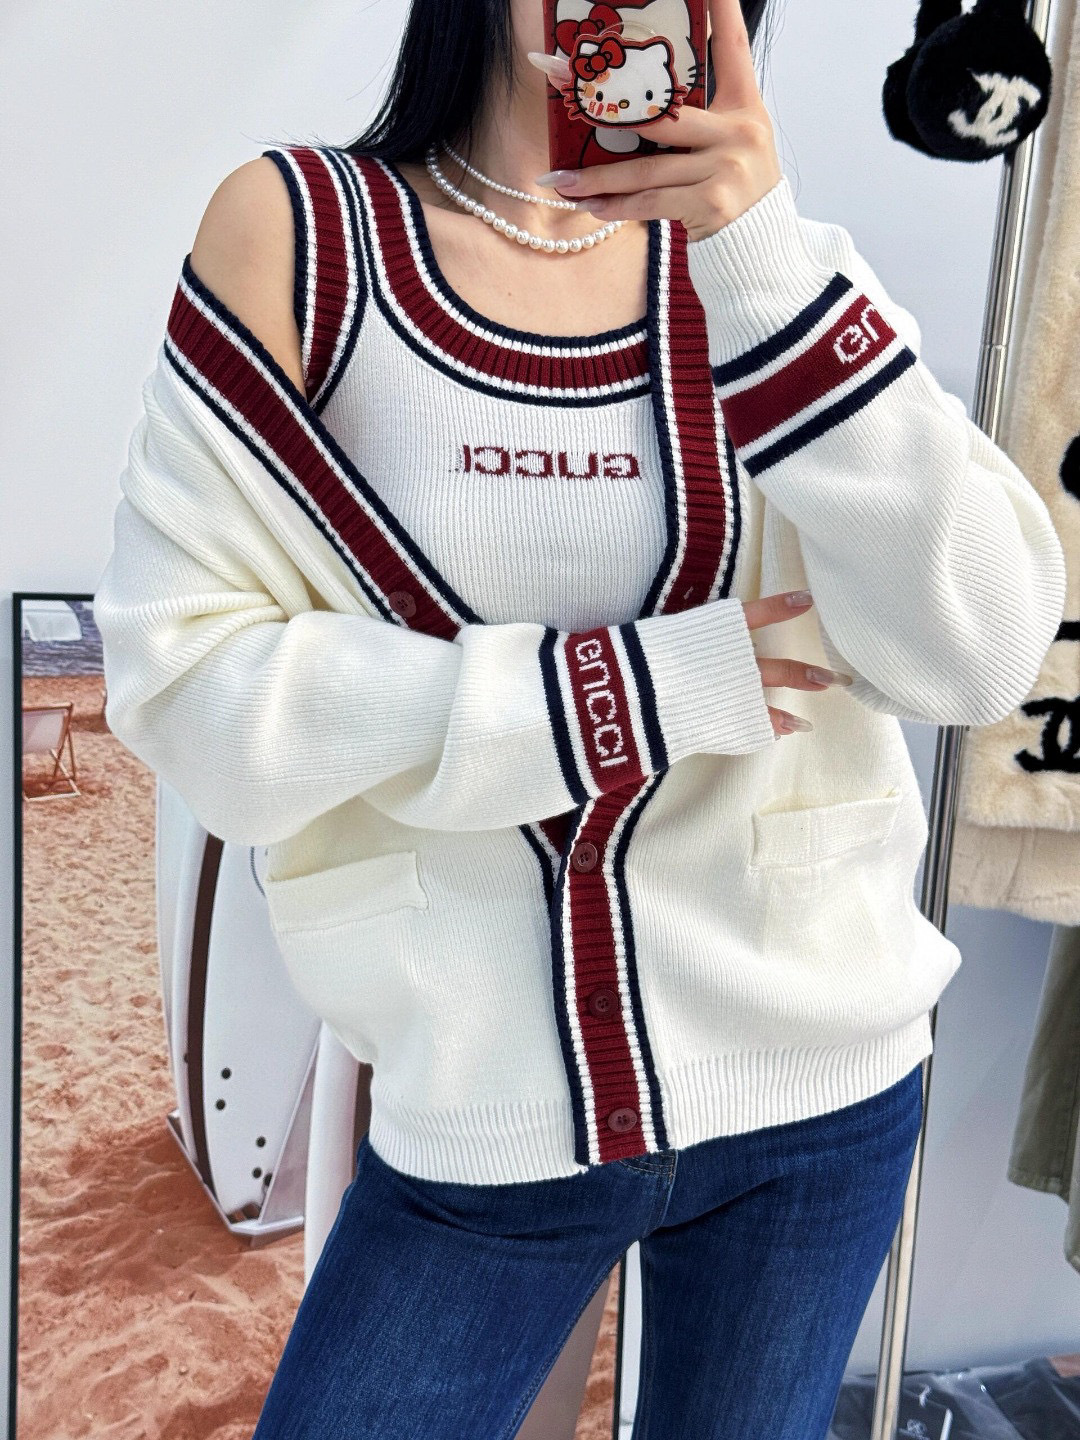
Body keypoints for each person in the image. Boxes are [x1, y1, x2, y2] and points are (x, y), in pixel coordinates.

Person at [93, 0, 1066, 1435]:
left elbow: (981, 652)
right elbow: (186, 689)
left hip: (824, 1094)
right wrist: (632, 693)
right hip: (480, 1113)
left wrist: (760, 260)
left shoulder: (780, 273)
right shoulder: (304, 240)